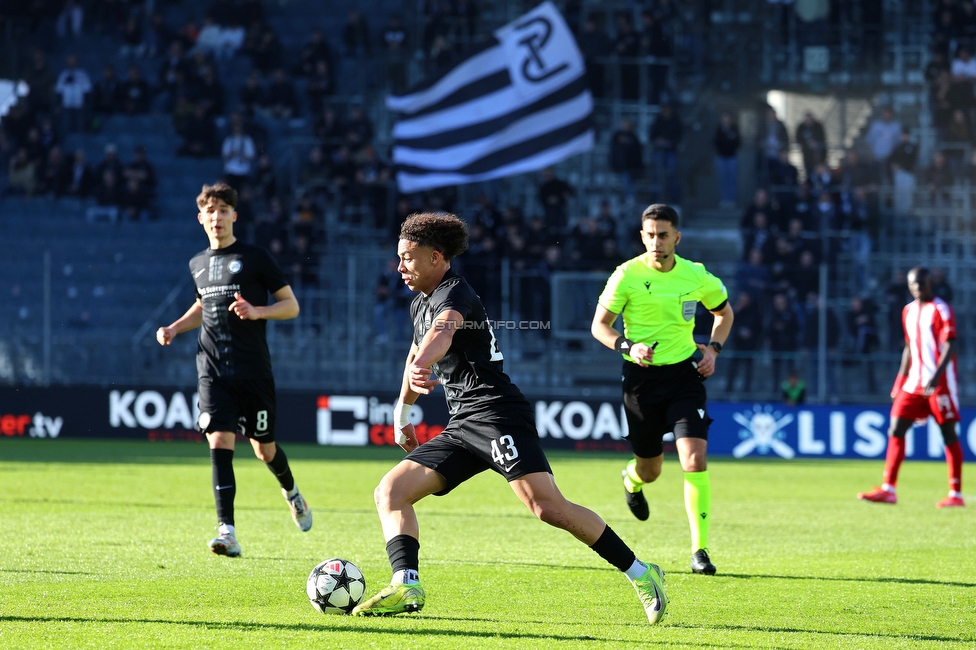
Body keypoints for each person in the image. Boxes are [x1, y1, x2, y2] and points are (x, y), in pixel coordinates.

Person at [352, 213, 668, 623]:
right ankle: (406, 583)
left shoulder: (455, 292)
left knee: (548, 508)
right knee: (390, 491)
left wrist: (424, 364)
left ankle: (641, 573)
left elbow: (440, 336)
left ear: (435, 257)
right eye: (399, 258)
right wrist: (402, 412)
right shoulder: (419, 303)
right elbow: (415, 354)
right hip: (463, 424)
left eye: (407, 258)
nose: (399, 267)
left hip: (497, 414)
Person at [155, 183, 313, 557]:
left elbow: (291, 306)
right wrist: (175, 327)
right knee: (219, 440)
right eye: (210, 211)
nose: (217, 217)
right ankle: (227, 530)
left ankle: (291, 492)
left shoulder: (255, 257)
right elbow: (202, 306)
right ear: (201, 218)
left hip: (253, 371)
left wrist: (259, 311)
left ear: (234, 216)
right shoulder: (197, 264)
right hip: (212, 370)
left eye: (223, 210)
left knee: (264, 450)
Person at [591, 203, 734, 576]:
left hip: (685, 377)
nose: (656, 241)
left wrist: (713, 350)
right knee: (651, 469)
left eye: (663, 235)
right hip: (641, 381)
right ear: (642, 236)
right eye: (650, 235)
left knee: (694, 460)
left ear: (677, 237)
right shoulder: (626, 276)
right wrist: (627, 346)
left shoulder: (695, 275)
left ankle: (699, 550)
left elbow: (724, 313)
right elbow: (600, 326)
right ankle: (633, 479)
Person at [858, 267, 964, 508]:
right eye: (913, 284)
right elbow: (908, 347)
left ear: (929, 284)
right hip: (914, 382)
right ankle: (889, 489)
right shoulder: (907, 311)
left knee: (947, 433)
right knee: (896, 427)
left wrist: (936, 376)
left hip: (940, 383)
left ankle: (955, 493)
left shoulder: (940, 309)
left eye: (921, 283)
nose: (917, 288)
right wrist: (900, 380)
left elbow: (951, 343)